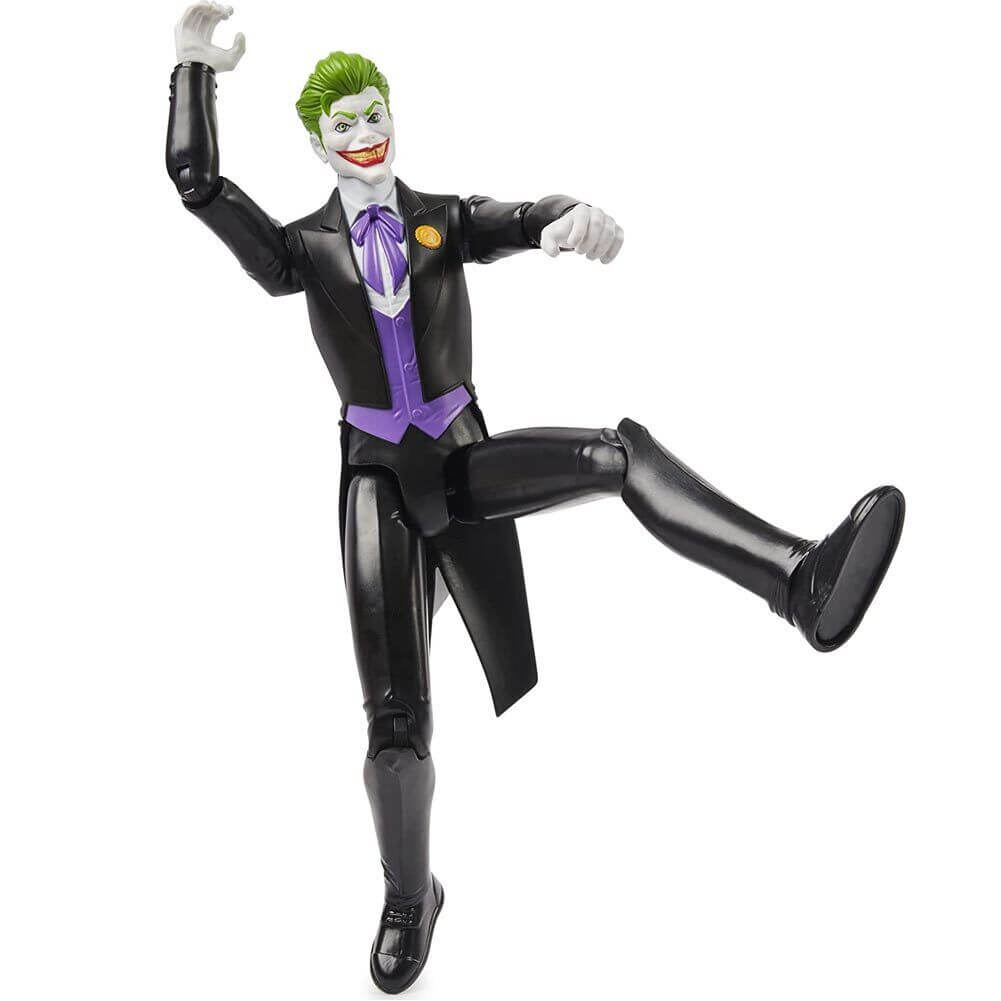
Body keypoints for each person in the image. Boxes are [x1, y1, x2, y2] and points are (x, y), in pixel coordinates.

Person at [165, 5, 905, 993]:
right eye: (343, 122)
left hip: (462, 460)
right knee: (395, 731)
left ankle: (794, 577)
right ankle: (408, 893)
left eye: (374, 112)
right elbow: (199, 185)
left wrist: (565, 215)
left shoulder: (439, 217)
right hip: (378, 482)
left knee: (613, 454)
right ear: (317, 142)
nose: (363, 132)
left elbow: (517, 216)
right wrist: (192, 72)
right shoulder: (301, 249)